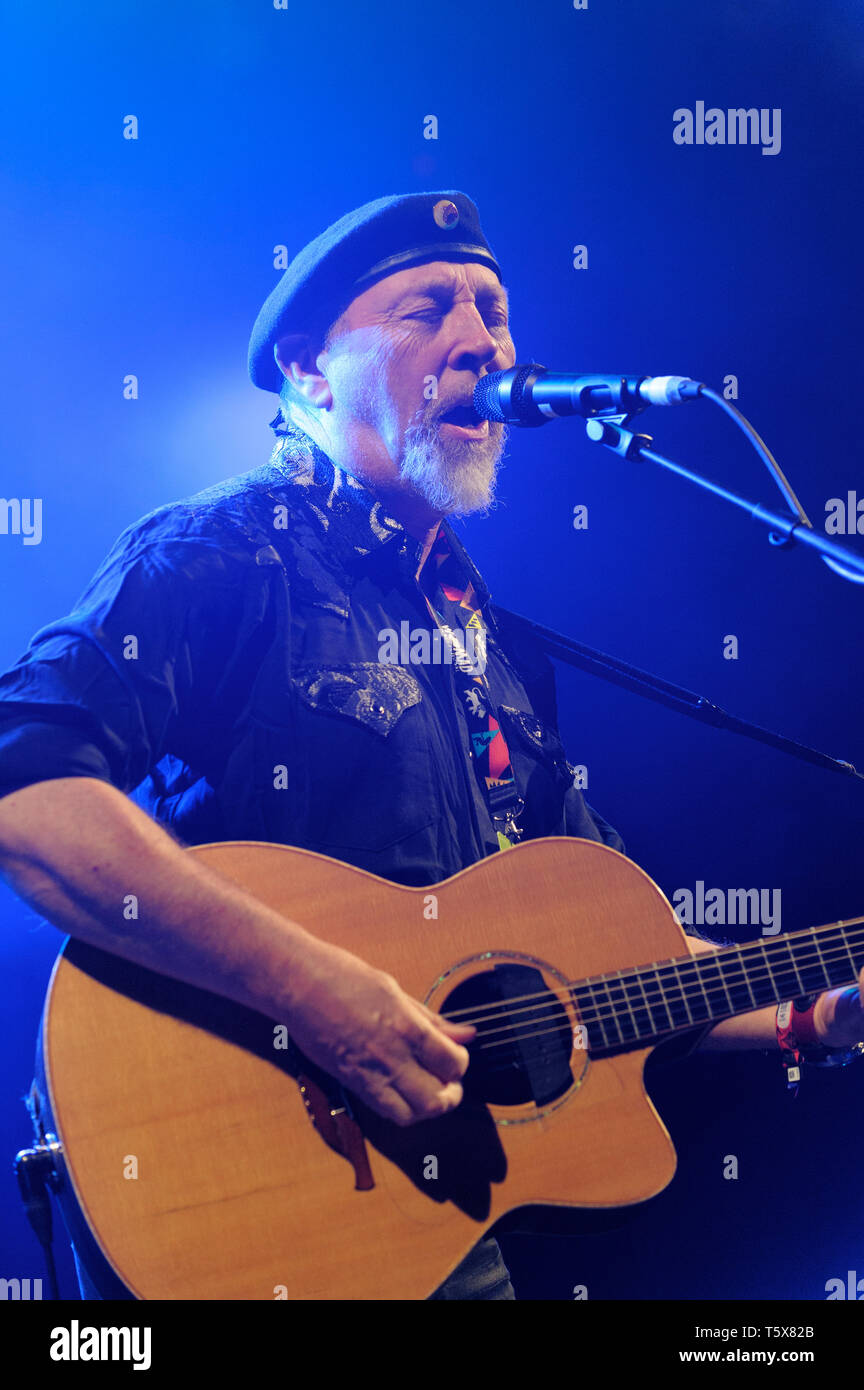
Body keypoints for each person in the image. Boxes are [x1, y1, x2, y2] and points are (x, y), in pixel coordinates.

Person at [1, 191, 862, 1301]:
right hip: (222, 1187)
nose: (482, 341)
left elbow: (613, 956)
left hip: (427, 1219)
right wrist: (318, 993)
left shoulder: (495, 646)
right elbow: (27, 795)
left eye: (494, 309)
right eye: (426, 310)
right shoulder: (215, 556)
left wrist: (812, 1011)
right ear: (313, 373)